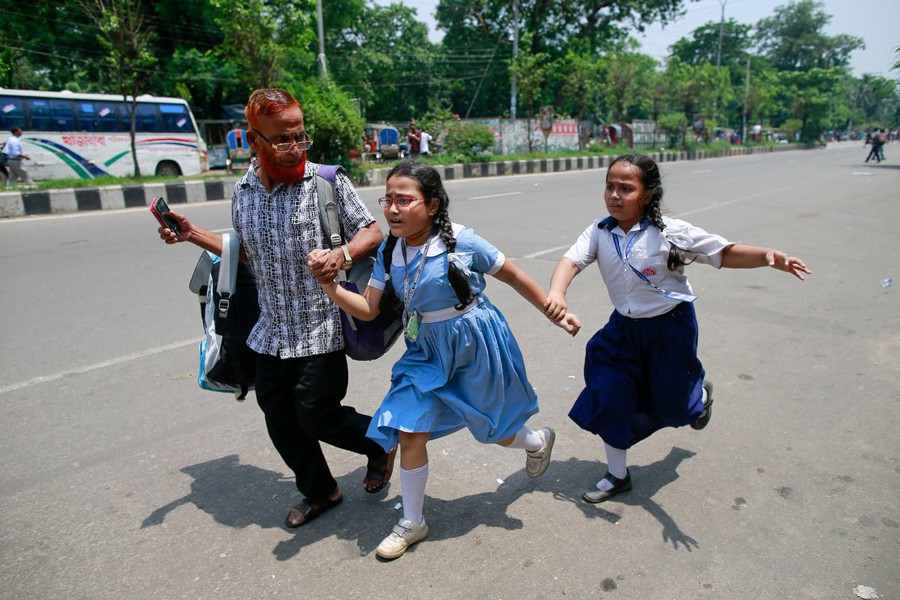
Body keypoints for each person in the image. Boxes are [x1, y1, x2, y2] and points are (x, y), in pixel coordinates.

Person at [307, 160, 581, 560]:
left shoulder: (464, 242)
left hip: (475, 343)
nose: (393, 210)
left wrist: (554, 311)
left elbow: (514, 276)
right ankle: (413, 521)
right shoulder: (389, 250)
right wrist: (328, 284)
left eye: (405, 200)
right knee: (407, 428)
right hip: (426, 351)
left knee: (496, 430)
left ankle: (537, 441)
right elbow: (367, 309)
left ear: (433, 205)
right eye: (388, 200)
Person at [157, 88, 395, 529]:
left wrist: (340, 256)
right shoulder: (243, 190)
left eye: (300, 137)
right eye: (282, 139)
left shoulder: (326, 180)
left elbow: (371, 231)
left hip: (321, 325)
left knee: (319, 415)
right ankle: (321, 490)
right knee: (280, 419)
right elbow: (245, 252)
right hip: (270, 330)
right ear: (253, 141)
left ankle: (379, 443)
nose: (294, 148)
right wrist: (193, 234)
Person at [544, 153, 811, 505]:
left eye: (626, 188)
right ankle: (618, 476)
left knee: (673, 405)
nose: (614, 195)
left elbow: (724, 253)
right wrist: (557, 292)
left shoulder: (671, 233)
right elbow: (571, 260)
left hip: (669, 329)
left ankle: (698, 401)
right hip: (622, 332)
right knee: (610, 395)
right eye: (610, 186)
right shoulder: (599, 231)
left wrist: (766, 256)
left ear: (648, 194)